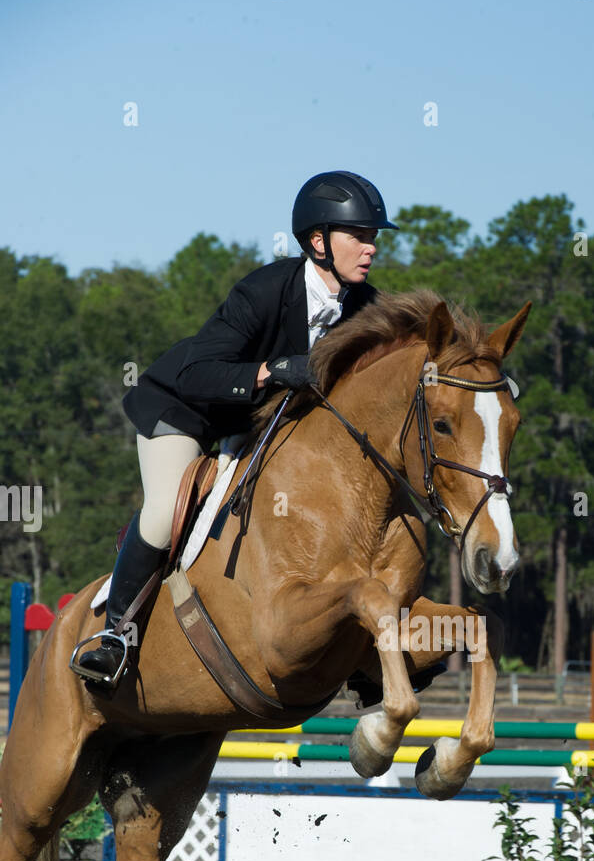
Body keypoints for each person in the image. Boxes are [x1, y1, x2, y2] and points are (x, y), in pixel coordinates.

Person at [70, 170, 396, 687]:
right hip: (185, 410)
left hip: (256, 426)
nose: (370, 248)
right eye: (358, 236)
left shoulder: (367, 305)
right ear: (317, 242)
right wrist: (270, 371)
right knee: (163, 511)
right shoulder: (265, 290)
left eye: (373, 237)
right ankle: (116, 637)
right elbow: (197, 372)